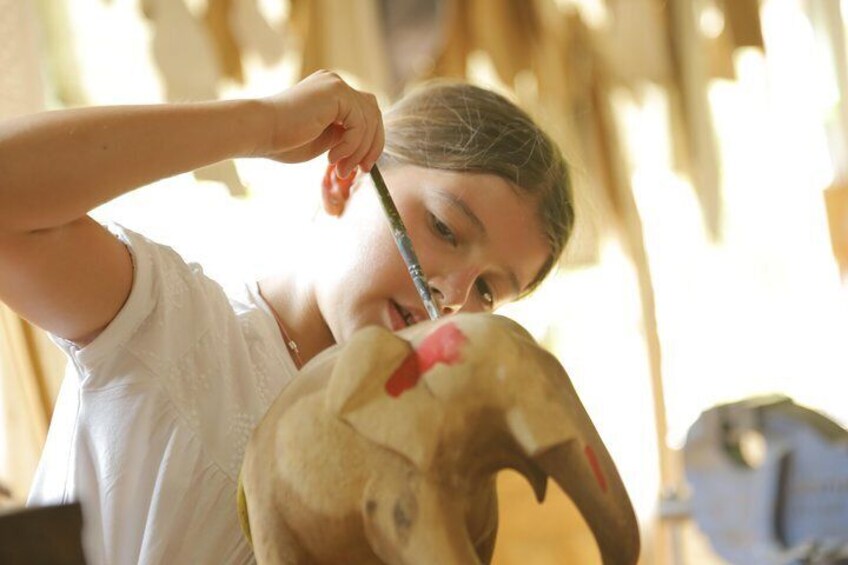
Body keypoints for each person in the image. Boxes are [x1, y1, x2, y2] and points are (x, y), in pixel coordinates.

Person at [0, 70, 574, 563]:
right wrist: (265, 124)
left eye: (490, 293)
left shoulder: (407, 468)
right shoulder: (164, 323)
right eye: (445, 229)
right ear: (344, 179)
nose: (451, 296)